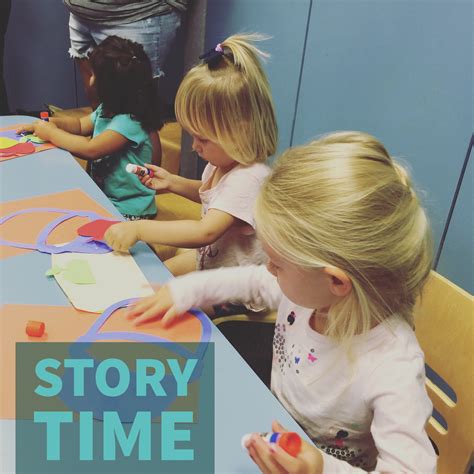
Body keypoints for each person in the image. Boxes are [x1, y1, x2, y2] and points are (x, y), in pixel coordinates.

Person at [127, 132, 437, 472]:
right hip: (274, 425)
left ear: (335, 281)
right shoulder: (308, 292)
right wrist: (182, 291)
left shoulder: (392, 367)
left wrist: (321, 469)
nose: (267, 270)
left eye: (277, 263)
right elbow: (249, 279)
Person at [104, 34, 278, 284]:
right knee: (152, 279)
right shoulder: (223, 162)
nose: (194, 147)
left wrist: (140, 229)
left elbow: (204, 231)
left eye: (203, 139)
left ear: (240, 131)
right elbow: (213, 195)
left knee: (165, 297)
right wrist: (173, 182)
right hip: (212, 260)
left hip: (235, 283)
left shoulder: (250, 177)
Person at [17, 36, 162, 220]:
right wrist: (52, 124)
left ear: (110, 87)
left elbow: (91, 149)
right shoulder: (108, 109)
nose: (91, 80)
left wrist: (52, 134)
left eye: (94, 75)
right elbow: (79, 125)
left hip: (128, 211)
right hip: (106, 199)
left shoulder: (129, 122)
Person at [63, 0, 187, 107]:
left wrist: (52, 132)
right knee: (97, 100)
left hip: (138, 13)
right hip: (80, 13)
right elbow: (84, 123)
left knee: (136, 112)